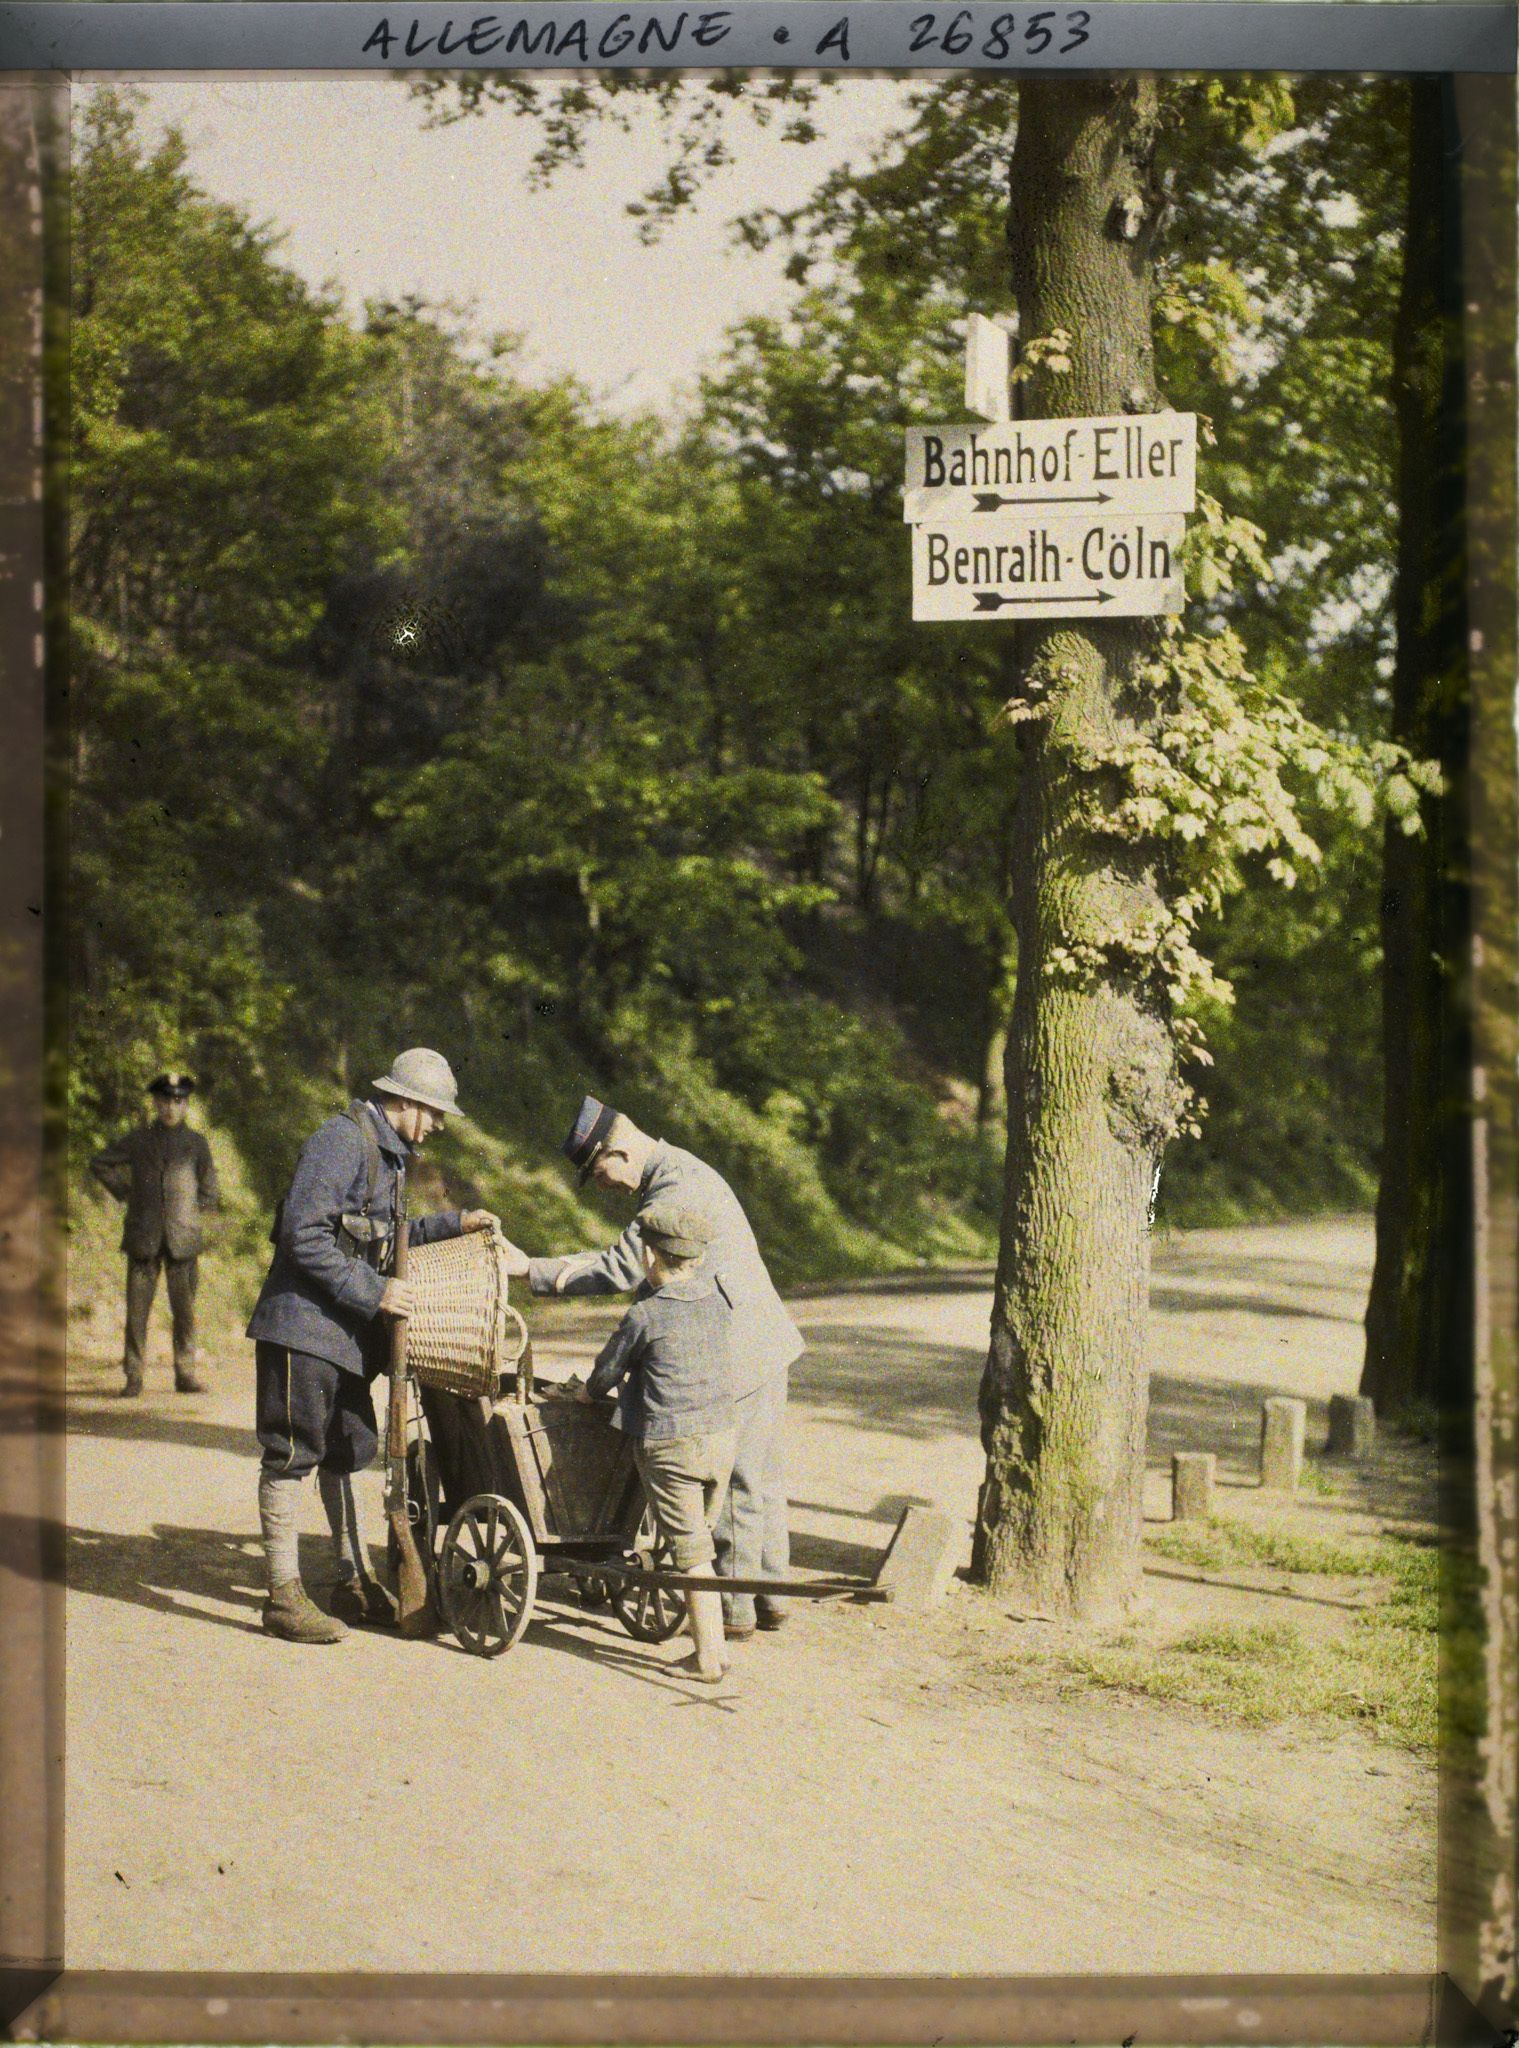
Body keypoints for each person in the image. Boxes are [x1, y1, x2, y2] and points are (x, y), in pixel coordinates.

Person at [499, 1096, 800, 1640]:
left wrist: (530, 1269)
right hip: (762, 1339)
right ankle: (769, 1594)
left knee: (733, 1483)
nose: (606, 1186)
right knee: (759, 1477)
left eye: (599, 1174)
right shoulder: (682, 1170)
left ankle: (731, 1615)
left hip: (731, 1350)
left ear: (616, 1151)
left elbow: (621, 1267)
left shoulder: (672, 1190)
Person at [246, 1047, 499, 1645]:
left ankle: (349, 1581)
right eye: (434, 1112)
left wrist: (453, 1223)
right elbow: (301, 1234)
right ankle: (282, 1596)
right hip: (302, 1330)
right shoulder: (341, 1140)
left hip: (346, 1337)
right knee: (292, 1452)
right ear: (405, 1101)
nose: (438, 1125)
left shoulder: (389, 1156)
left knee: (347, 1450)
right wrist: (375, 1292)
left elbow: (388, 1239)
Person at [568, 1203, 736, 1682]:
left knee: (692, 1554)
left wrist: (584, 1393)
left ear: (648, 1255)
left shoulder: (645, 1315)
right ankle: (717, 1648)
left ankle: (707, 1658)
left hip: (673, 1446)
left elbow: (604, 1375)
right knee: (699, 1541)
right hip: (722, 1437)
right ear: (697, 1259)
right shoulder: (719, 1298)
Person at [91, 1072, 221, 1397]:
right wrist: (125, 1192)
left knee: (185, 1313)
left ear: (186, 1105)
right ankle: (133, 1376)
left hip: (183, 1241)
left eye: (177, 1101)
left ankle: (185, 1373)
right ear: (155, 1102)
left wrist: (192, 1212)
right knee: (137, 1313)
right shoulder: (138, 1140)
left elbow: (210, 1188)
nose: (170, 1108)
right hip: (143, 1238)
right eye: (164, 1100)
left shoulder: (196, 1144)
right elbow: (100, 1163)